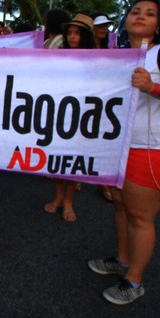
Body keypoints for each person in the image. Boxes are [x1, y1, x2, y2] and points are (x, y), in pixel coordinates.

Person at [88, 0, 160, 305]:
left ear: (159, 23)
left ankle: (134, 281)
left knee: (140, 216)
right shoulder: (120, 54)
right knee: (121, 207)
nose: (140, 16)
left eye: (150, 13)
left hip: (153, 148)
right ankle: (122, 261)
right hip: (120, 145)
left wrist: (154, 87)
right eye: (135, 11)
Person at [43, 13, 94, 222]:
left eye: (77, 33)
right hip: (58, 113)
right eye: (70, 33)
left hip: (81, 116)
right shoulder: (59, 56)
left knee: (72, 161)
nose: (73, 37)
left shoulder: (99, 60)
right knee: (56, 159)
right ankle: (58, 197)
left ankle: (69, 201)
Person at [92, 12, 116, 202]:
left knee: (103, 140)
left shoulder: (112, 48)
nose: (103, 29)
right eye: (99, 25)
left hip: (105, 98)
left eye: (105, 26)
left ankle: (104, 182)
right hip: (86, 99)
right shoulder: (83, 48)